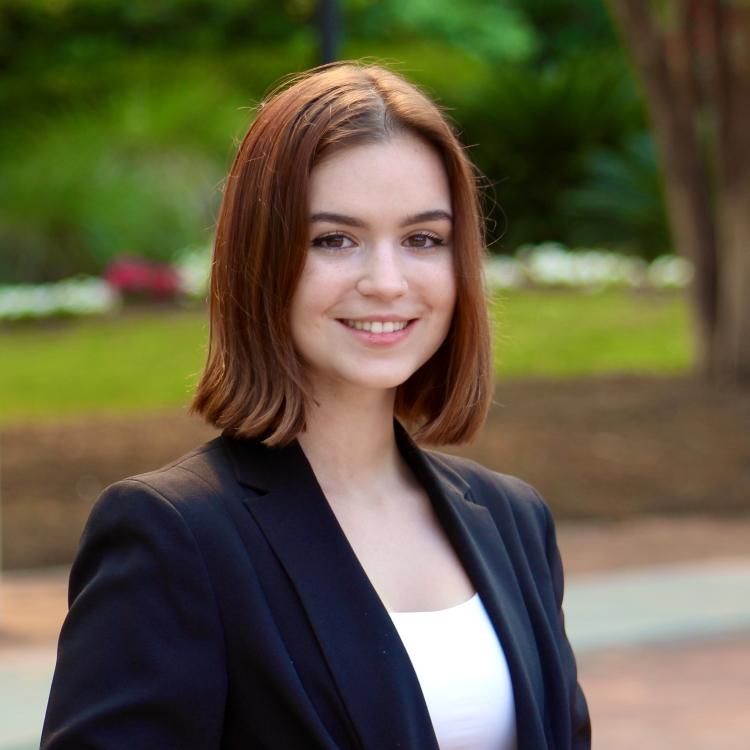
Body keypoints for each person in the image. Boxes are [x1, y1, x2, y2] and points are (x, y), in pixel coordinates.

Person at [42, 63, 590, 750]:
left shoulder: (513, 521)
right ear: (261, 256)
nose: (386, 283)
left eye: (423, 239)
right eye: (335, 239)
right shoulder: (175, 535)